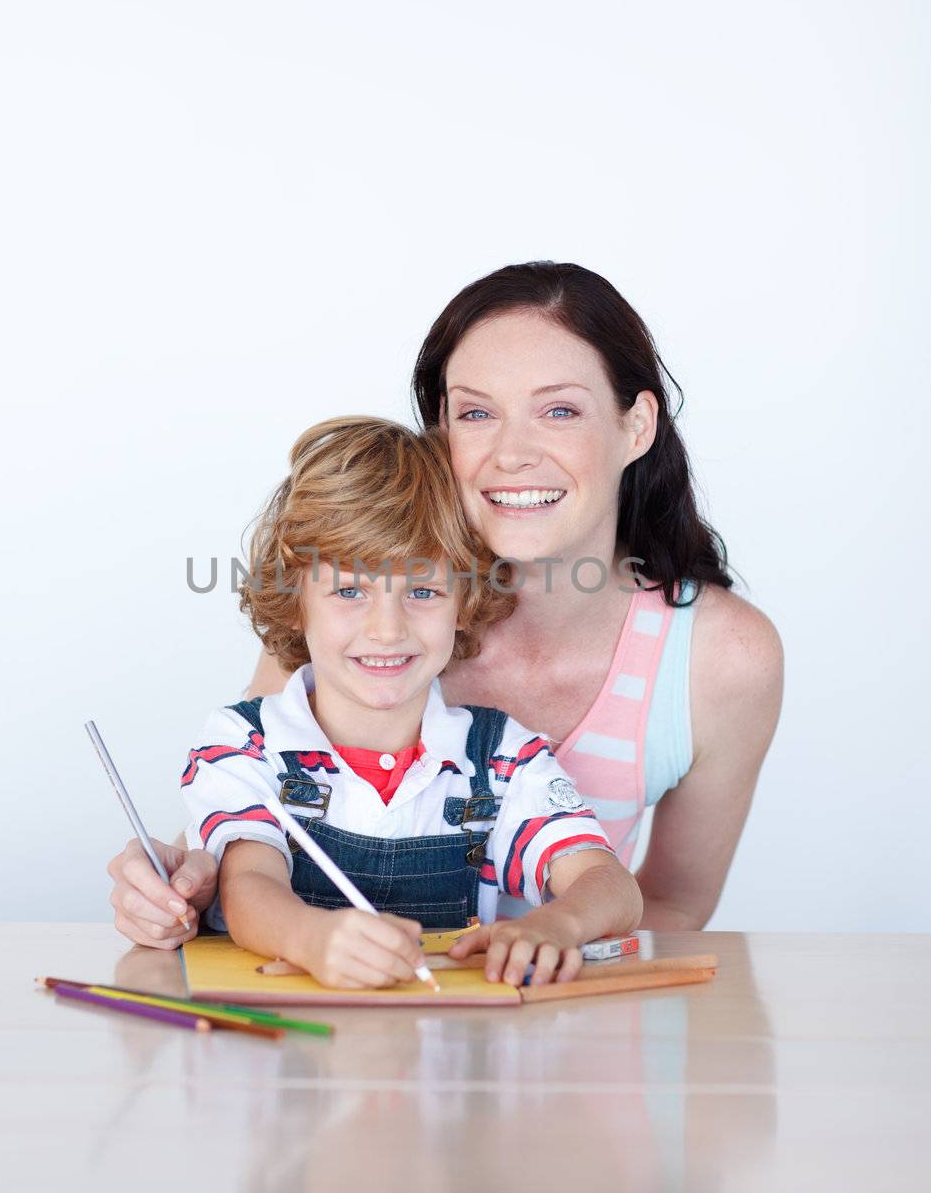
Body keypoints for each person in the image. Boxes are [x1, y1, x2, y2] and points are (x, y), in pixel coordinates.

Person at [108, 261, 782, 947]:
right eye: (477, 412)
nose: (512, 453)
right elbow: (241, 845)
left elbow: (668, 908)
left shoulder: (720, 661)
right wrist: (173, 890)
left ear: (636, 426)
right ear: (440, 432)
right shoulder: (353, 634)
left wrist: (531, 982)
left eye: (559, 410)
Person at [181, 415, 641, 989]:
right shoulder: (245, 744)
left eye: (422, 591)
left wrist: (557, 925)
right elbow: (247, 886)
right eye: (349, 591)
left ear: (464, 600)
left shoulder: (500, 759)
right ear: (295, 600)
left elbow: (611, 884)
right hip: (288, 1052)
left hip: (449, 1054)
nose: (386, 630)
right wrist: (310, 939)